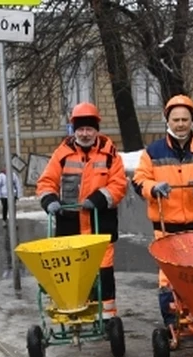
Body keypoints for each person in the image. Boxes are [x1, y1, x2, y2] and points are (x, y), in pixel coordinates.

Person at [132, 94, 193, 327]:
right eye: (175, 119)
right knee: (169, 276)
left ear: (192, 121)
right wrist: (153, 188)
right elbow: (138, 181)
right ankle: (171, 321)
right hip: (166, 225)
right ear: (167, 121)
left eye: (184, 119)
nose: (180, 124)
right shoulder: (153, 152)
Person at [37, 102, 127, 318]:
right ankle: (74, 308)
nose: (85, 133)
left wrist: (97, 199)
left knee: (104, 269)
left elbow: (119, 185)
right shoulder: (62, 154)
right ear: (74, 130)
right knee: (71, 271)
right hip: (70, 224)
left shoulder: (110, 154)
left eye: (89, 129)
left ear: (96, 130)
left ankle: (107, 315)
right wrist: (49, 200)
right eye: (81, 129)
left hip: (100, 223)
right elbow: (46, 182)